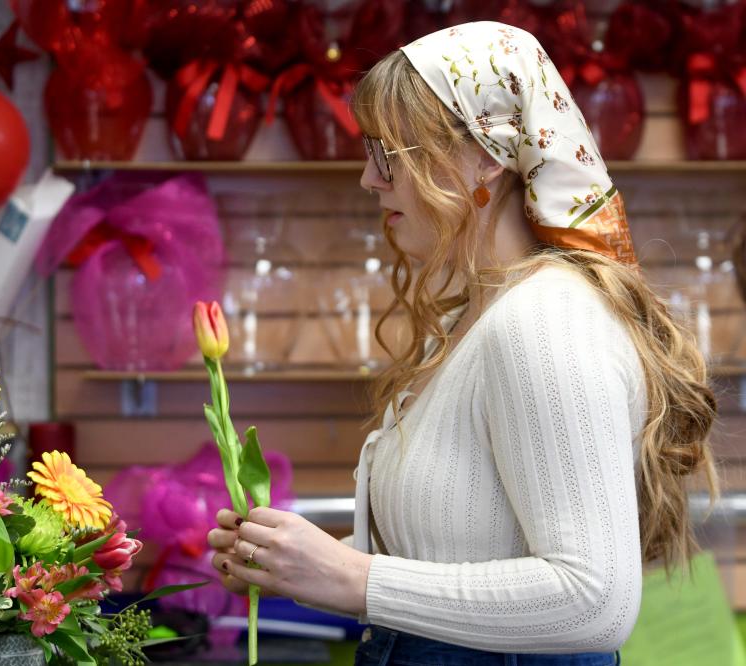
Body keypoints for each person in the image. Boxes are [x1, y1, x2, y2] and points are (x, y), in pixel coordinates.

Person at [206, 21, 718, 665]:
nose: (370, 177)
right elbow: (464, 558)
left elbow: (594, 602)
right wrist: (300, 567)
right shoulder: (479, 320)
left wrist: (352, 579)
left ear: (485, 154)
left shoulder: (543, 320)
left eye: (391, 152)